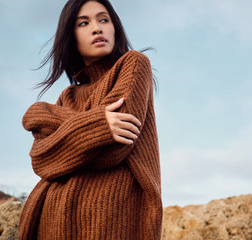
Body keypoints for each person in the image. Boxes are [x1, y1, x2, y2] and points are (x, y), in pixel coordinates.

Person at [18, 0, 162, 239]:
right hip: (52, 224)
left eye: (104, 19)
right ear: (70, 37)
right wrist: (100, 124)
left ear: (115, 27)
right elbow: (41, 160)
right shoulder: (68, 96)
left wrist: (45, 115)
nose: (97, 28)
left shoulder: (133, 64)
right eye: (84, 23)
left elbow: (112, 150)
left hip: (109, 221)